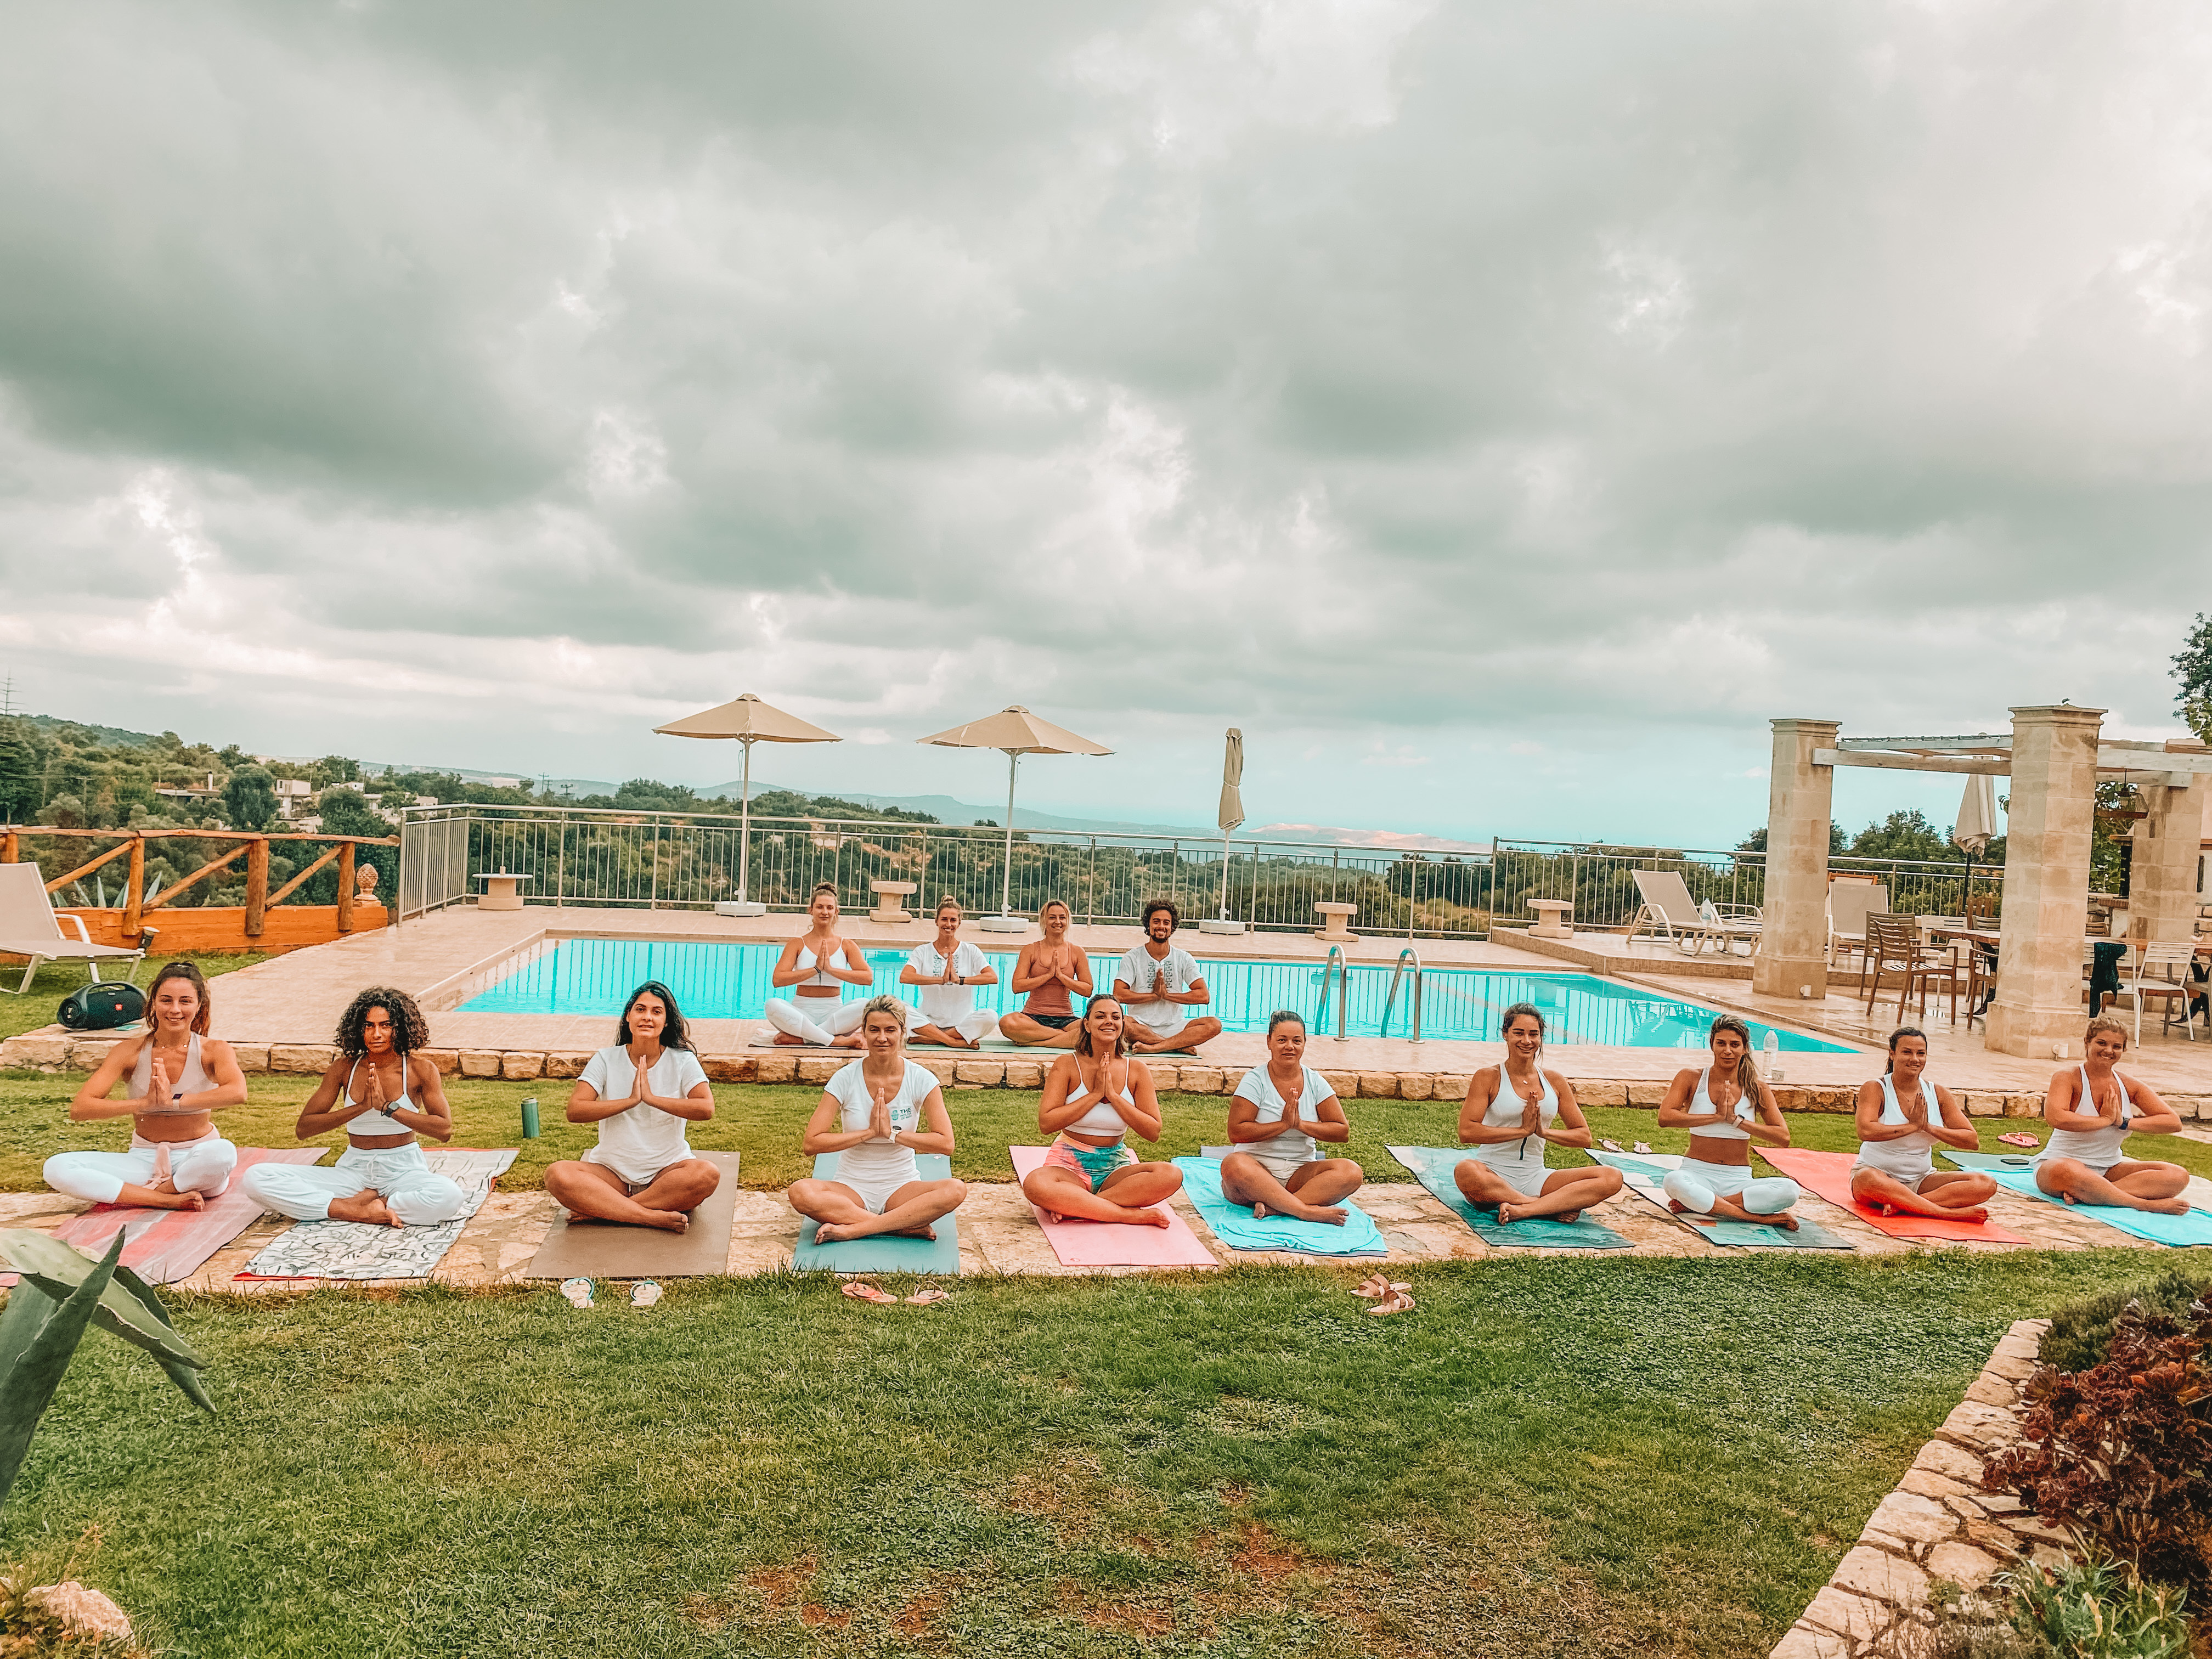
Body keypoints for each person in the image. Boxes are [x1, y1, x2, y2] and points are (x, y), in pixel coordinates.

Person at [241, 986, 466, 1228]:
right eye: (369, 1026)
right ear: (359, 1029)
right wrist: (362, 1107)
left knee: (449, 1196)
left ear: (399, 1028)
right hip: (353, 1172)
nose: (376, 1034)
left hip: (402, 1171)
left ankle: (376, 1202)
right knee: (256, 1178)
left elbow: (444, 1130)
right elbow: (304, 1128)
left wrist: (387, 1107)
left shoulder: (420, 1070)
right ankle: (354, 1210)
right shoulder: (343, 1068)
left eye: (385, 1026)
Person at [50, 962, 246, 1211]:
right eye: (166, 1000)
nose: (175, 1010)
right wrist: (144, 1104)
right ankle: (167, 1199)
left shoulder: (214, 1050)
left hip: (197, 1158)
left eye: (185, 1001)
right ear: (153, 1003)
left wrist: (173, 1101)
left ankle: (153, 1192)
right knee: (57, 1167)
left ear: (199, 1006)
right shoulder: (128, 1051)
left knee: (223, 1152)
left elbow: (238, 1092)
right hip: (144, 1158)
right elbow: (81, 1108)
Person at [540, 981, 723, 1233]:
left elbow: (706, 1108)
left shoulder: (683, 1061)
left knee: (706, 1174)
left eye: (657, 1012)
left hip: (666, 1174)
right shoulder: (606, 1059)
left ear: (666, 1022)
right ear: (628, 1016)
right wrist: (630, 1101)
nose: (647, 1017)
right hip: (610, 1175)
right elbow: (576, 1111)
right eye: (640, 1009)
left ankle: (605, 1212)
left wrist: (651, 1099)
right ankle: (648, 1217)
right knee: (557, 1174)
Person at [788, 996, 968, 1242]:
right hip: (851, 1188)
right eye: (874, 1030)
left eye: (890, 1030)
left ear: (903, 1032)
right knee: (801, 1192)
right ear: (863, 1031)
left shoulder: (921, 1079)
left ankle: (855, 1228)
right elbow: (812, 1143)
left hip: (902, 1188)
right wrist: (869, 1133)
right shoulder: (845, 1078)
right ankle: (901, 1225)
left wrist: (892, 1134)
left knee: (955, 1189)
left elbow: (946, 1143)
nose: (882, 1038)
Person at [1020, 995, 1184, 1227]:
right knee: (1036, 1184)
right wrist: (1096, 1094)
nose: (1109, 1021)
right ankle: (1127, 1215)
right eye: (1100, 1016)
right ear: (1087, 1024)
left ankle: (1080, 1207)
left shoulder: (1136, 1070)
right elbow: (1047, 1124)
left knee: (1171, 1175)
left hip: (1114, 1168)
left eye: (1115, 1017)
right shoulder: (1067, 1064)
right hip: (1068, 1165)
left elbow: (1153, 1132)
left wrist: (1114, 1097)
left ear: (1123, 1024)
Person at [1453, 1003, 1623, 1223]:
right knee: (1465, 1170)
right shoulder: (1488, 1077)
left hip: (1537, 1177)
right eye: (1519, 1033)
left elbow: (1583, 1136)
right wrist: (1522, 1131)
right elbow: (1467, 1131)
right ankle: (1542, 1206)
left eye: (1534, 1034)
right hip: (1492, 1175)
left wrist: (1542, 1132)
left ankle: (1524, 1210)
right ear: (1505, 1034)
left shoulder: (1554, 1080)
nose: (1527, 1041)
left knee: (1611, 1176)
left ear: (1541, 1037)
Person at [1655, 1014, 1803, 1229]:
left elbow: (1783, 1137)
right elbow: (1665, 1118)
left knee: (1790, 1189)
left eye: (1735, 1045)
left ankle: (1703, 1204)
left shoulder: (1757, 1088)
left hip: (1738, 1180)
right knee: (1673, 1180)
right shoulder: (1691, 1078)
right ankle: (1759, 1218)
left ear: (1745, 1049)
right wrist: (1716, 1117)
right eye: (1721, 1043)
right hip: (1697, 1173)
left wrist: (1735, 1121)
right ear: (1712, 1045)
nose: (1727, 1051)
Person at [2033, 1014, 2192, 1214]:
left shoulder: (2129, 1084)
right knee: (2068, 1171)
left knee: (2177, 1175)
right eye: (2102, 1043)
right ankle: (2143, 1204)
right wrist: (2105, 1120)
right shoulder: (2067, 1077)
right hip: (2061, 1165)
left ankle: (2092, 1194)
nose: (2109, 1051)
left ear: (2123, 1050)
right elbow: (2056, 1118)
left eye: (2117, 1047)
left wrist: (2123, 1122)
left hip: (2110, 1169)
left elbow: (2172, 1122)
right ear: (2087, 1042)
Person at [1220, 1010, 1364, 1224]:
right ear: (1269, 1042)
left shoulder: (1315, 1082)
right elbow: (1236, 1132)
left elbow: (1341, 1131)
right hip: (1256, 1174)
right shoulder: (1254, 1081)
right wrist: (1283, 1125)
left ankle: (1276, 1209)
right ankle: (1305, 1211)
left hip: (1299, 1176)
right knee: (1233, 1164)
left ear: (1304, 1044)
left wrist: (1300, 1125)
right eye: (1282, 1040)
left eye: (1297, 1041)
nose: (1290, 1046)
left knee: (1352, 1172)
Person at [1849, 1027, 1999, 1220]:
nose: (1915, 1059)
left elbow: (1972, 1140)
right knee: (1866, 1178)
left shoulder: (1937, 1093)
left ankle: (1903, 1205)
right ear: (1892, 1054)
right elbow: (1866, 1131)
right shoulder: (1876, 1088)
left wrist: (1928, 1127)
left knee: (1985, 1183)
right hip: (1879, 1177)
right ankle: (1946, 1213)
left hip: (1921, 1181)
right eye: (1907, 1052)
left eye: (1921, 1053)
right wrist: (1912, 1127)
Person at [764, 883, 878, 1048]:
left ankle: (804, 1039)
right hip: (802, 1012)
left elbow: (867, 978)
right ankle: (834, 1040)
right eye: (820, 907)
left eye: (830, 908)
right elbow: (778, 979)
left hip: (833, 1014)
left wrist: (830, 970)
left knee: (866, 1005)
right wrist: (815, 969)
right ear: (810, 910)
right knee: (772, 1005)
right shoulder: (797, 944)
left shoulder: (847, 945)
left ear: (836, 911)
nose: (825, 912)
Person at [1113, 900, 1223, 1054]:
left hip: (1174, 1026)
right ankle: (1176, 1046)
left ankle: (1155, 1046)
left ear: (1172, 927)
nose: (1161, 926)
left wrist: (1167, 996)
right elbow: (1118, 994)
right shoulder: (1133, 957)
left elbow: (1203, 996)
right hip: (1140, 1025)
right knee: (1121, 1023)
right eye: (1156, 922)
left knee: (1214, 1024)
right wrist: (1153, 996)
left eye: (1166, 923)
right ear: (1148, 925)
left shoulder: (1183, 958)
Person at [899, 897, 1000, 1049]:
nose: (949, 924)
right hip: (928, 1021)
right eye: (944, 919)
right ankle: (952, 1041)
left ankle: (932, 1038)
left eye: (953, 920)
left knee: (991, 1016)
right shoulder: (922, 951)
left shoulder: (970, 950)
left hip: (961, 1022)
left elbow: (992, 977)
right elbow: (905, 977)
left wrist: (960, 980)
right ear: (936, 921)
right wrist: (940, 980)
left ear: (959, 923)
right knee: (898, 1007)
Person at [997, 900, 1093, 1048]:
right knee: (1007, 1023)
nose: (1058, 922)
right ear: (1044, 920)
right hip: (1032, 1018)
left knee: (1093, 1029)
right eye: (1052, 917)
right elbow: (1017, 986)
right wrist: (1048, 976)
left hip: (1066, 1020)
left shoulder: (1077, 952)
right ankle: (1063, 1038)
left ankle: (1036, 1040)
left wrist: (1061, 977)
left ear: (1067, 921)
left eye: (1062, 917)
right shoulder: (1030, 950)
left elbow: (1087, 990)